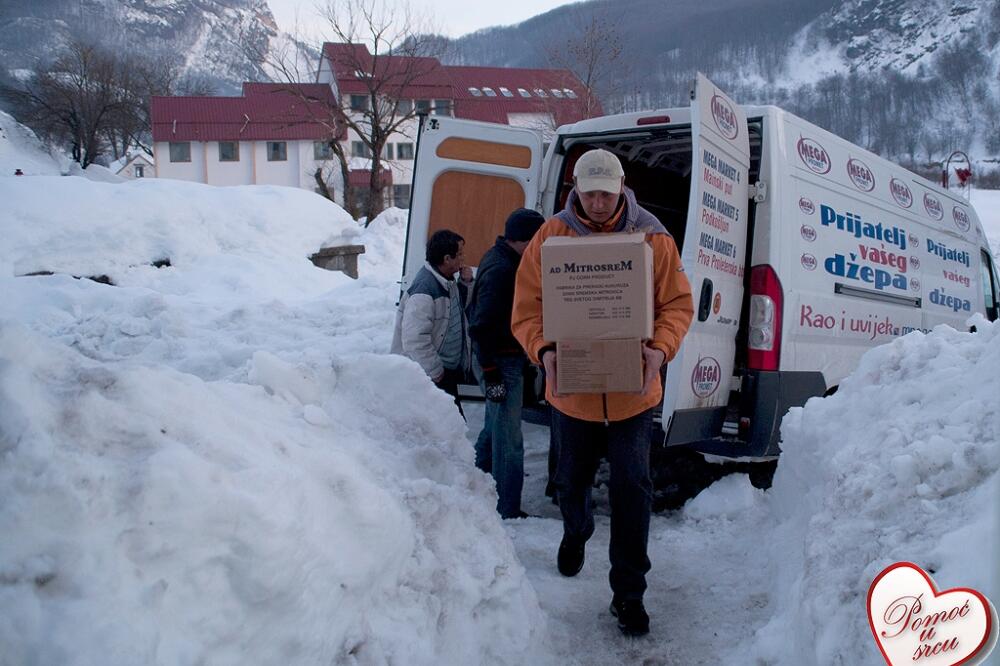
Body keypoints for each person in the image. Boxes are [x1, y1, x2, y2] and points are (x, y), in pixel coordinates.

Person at [511, 148, 694, 636]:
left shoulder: (653, 238)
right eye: (587, 192)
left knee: (633, 489)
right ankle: (576, 532)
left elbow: (677, 304)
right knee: (570, 483)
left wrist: (660, 349)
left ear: (621, 188)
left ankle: (628, 595)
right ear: (575, 187)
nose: (595, 202)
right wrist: (544, 351)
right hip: (573, 393)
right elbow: (527, 308)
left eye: (604, 193)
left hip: (635, 392)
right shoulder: (551, 236)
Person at [467, 208, 546, 519]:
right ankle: (507, 508)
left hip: (501, 361)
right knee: (509, 440)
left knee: (492, 428)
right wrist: (491, 373)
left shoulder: (504, 257)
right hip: (500, 363)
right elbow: (481, 325)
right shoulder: (503, 271)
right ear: (523, 239)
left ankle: (473, 485)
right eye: (538, 239)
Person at [391, 229, 473, 415]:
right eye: (459, 254)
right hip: (431, 374)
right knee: (448, 426)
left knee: (452, 424)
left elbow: (455, 310)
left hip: (445, 370)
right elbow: (413, 339)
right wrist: (435, 370)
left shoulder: (447, 279)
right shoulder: (425, 290)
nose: (463, 258)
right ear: (446, 259)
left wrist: (466, 283)